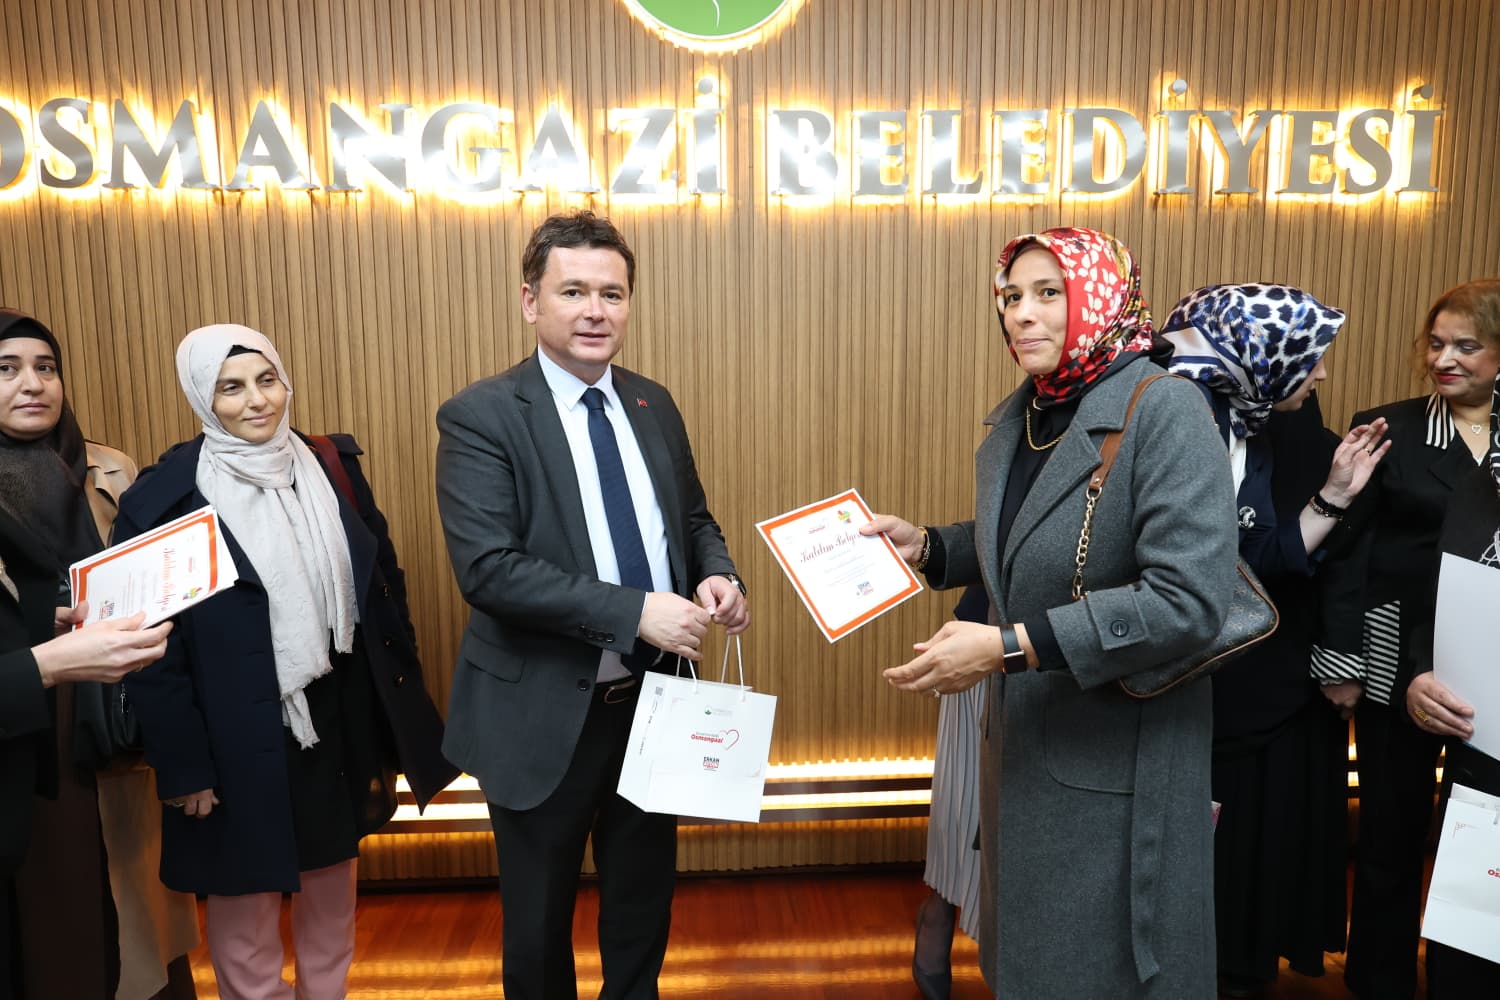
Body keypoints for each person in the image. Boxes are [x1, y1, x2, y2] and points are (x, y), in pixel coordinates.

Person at [862, 227, 1238, 998]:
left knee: (1102, 973)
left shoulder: (1165, 409)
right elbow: (1036, 539)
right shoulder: (1029, 414)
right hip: (1029, 750)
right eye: (1010, 297)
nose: (1021, 314)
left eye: (1047, 293)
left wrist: (1010, 646)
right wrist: (930, 547)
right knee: (1031, 967)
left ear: (1102, 298)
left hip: (1120, 765)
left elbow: (1190, 601)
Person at [435, 210, 749, 1000]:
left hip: (654, 704)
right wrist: (635, 612)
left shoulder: (652, 403)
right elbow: (490, 572)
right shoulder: (481, 416)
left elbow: (693, 519)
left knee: (642, 910)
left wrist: (718, 575)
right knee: (539, 932)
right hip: (541, 714)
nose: (594, 311)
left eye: (612, 293)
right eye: (572, 291)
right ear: (529, 301)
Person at [114, 325, 457, 1000]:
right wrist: (184, 766)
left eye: (266, 380)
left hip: (333, 712)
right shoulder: (164, 499)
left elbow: (383, 581)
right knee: (244, 908)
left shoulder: (329, 467)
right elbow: (150, 650)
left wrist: (396, 700)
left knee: (331, 896)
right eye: (231, 388)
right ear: (202, 397)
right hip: (230, 732)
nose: (257, 401)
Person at [1161, 284, 1391, 997]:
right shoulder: (1177, 423)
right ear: (1262, 355)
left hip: (1245, 679)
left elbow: (1250, 564)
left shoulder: (1254, 428)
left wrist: (1336, 495)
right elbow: (1198, 573)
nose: (1321, 373)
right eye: (1310, 356)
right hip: (1166, 676)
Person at [0, 309, 198, 1000]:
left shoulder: (107, 468)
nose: (33, 384)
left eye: (46, 367)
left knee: (135, 902)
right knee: (54, 904)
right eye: (7, 369)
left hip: (117, 703)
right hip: (26, 719)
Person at [1311, 279, 1500, 999]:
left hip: (1489, 663)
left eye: (1466, 346)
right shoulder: (1388, 429)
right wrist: (1342, 660)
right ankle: (1379, 979)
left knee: (1478, 835)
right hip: (1396, 662)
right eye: (1436, 344)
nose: (1443, 359)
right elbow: (1345, 555)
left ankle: (1460, 979)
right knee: (1390, 832)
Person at [1402, 372, 1500, 996]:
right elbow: (1437, 604)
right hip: (1482, 770)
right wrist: (1421, 678)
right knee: (1469, 960)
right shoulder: (1481, 485)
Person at [911, 586, 986, 1000]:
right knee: (964, 796)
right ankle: (940, 905)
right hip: (987, 631)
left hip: (1083, 641)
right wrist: (925, 551)